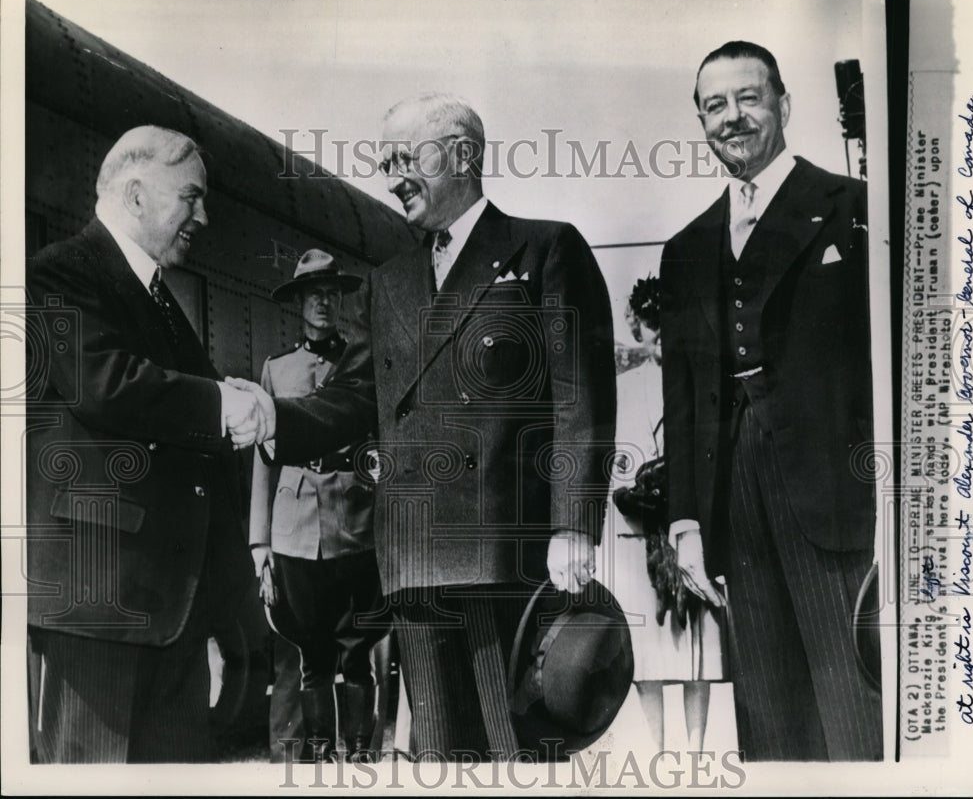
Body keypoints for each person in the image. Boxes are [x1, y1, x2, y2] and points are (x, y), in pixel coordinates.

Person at [231, 93, 617, 761]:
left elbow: (579, 397)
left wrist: (573, 524)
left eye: (404, 158)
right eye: (383, 162)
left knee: (514, 751)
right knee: (439, 752)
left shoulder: (544, 248)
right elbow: (359, 400)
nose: (390, 176)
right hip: (412, 559)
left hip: (504, 553)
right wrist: (277, 417)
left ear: (463, 155)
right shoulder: (391, 281)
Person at [659, 41, 881, 761]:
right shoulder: (686, 249)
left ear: (784, 103)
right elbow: (686, 395)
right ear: (700, 120)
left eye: (749, 98)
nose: (733, 117)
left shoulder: (852, 208)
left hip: (833, 496)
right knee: (767, 718)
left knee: (852, 707)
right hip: (732, 505)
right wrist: (688, 521)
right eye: (715, 106)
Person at [25, 125, 259, 762]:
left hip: (167, 610)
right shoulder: (61, 272)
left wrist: (222, 394)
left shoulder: (156, 298)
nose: (203, 216)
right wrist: (216, 402)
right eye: (191, 196)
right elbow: (104, 383)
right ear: (135, 196)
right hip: (100, 604)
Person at [249, 249, 387, 763]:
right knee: (311, 652)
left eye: (331, 293)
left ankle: (358, 754)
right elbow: (264, 459)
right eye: (313, 295)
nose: (323, 303)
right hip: (295, 526)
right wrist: (260, 542)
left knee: (357, 650)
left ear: (341, 300)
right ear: (299, 304)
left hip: (354, 519)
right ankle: (320, 756)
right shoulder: (276, 369)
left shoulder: (359, 363)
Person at [601, 276, 725, 752]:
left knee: (697, 649)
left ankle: (693, 753)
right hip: (636, 533)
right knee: (646, 655)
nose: (659, 340)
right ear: (640, 330)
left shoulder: (696, 382)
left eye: (665, 329)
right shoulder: (622, 390)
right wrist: (632, 488)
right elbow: (612, 460)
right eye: (651, 329)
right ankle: (658, 752)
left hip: (685, 525)